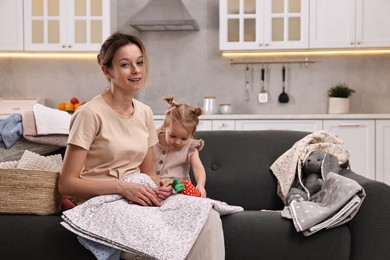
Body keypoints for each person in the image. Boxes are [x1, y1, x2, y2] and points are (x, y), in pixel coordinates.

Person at [58, 32, 224, 260]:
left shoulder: (145, 113)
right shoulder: (89, 114)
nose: (136, 70)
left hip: (139, 195)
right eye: (125, 65)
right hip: (103, 202)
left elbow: (147, 172)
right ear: (107, 71)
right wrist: (122, 188)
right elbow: (67, 184)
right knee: (160, 238)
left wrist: (163, 184)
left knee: (207, 215)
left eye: (140, 62)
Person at [154, 97, 207, 197]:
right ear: (165, 126)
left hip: (179, 192)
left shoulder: (190, 147)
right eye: (172, 136)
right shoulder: (152, 140)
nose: (177, 142)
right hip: (154, 189)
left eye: (184, 138)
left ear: (191, 134)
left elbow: (198, 168)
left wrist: (200, 185)